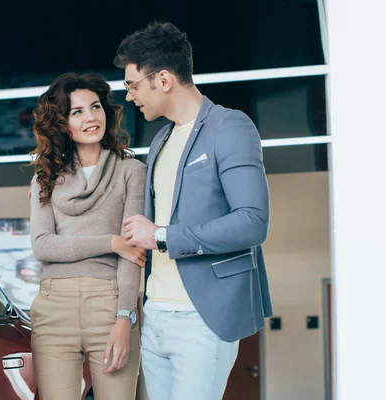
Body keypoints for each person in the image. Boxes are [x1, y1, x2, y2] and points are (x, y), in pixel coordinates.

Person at [114, 21, 273, 399]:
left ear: (164, 79)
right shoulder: (160, 141)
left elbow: (253, 221)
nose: (130, 96)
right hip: (155, 315)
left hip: (201, 316)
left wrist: (162, 236)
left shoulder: (230, 126)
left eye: (133, 85)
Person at [28, 72, 147, 399]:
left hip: (110, 306)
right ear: (62, 123)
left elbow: (133, 254)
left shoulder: (130, 171)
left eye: (95, 107)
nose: (90, 117)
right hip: (53, 308)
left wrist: (125, 318)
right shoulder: (45, 179)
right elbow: (43, 246)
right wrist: (110, 243)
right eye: (77, 111)